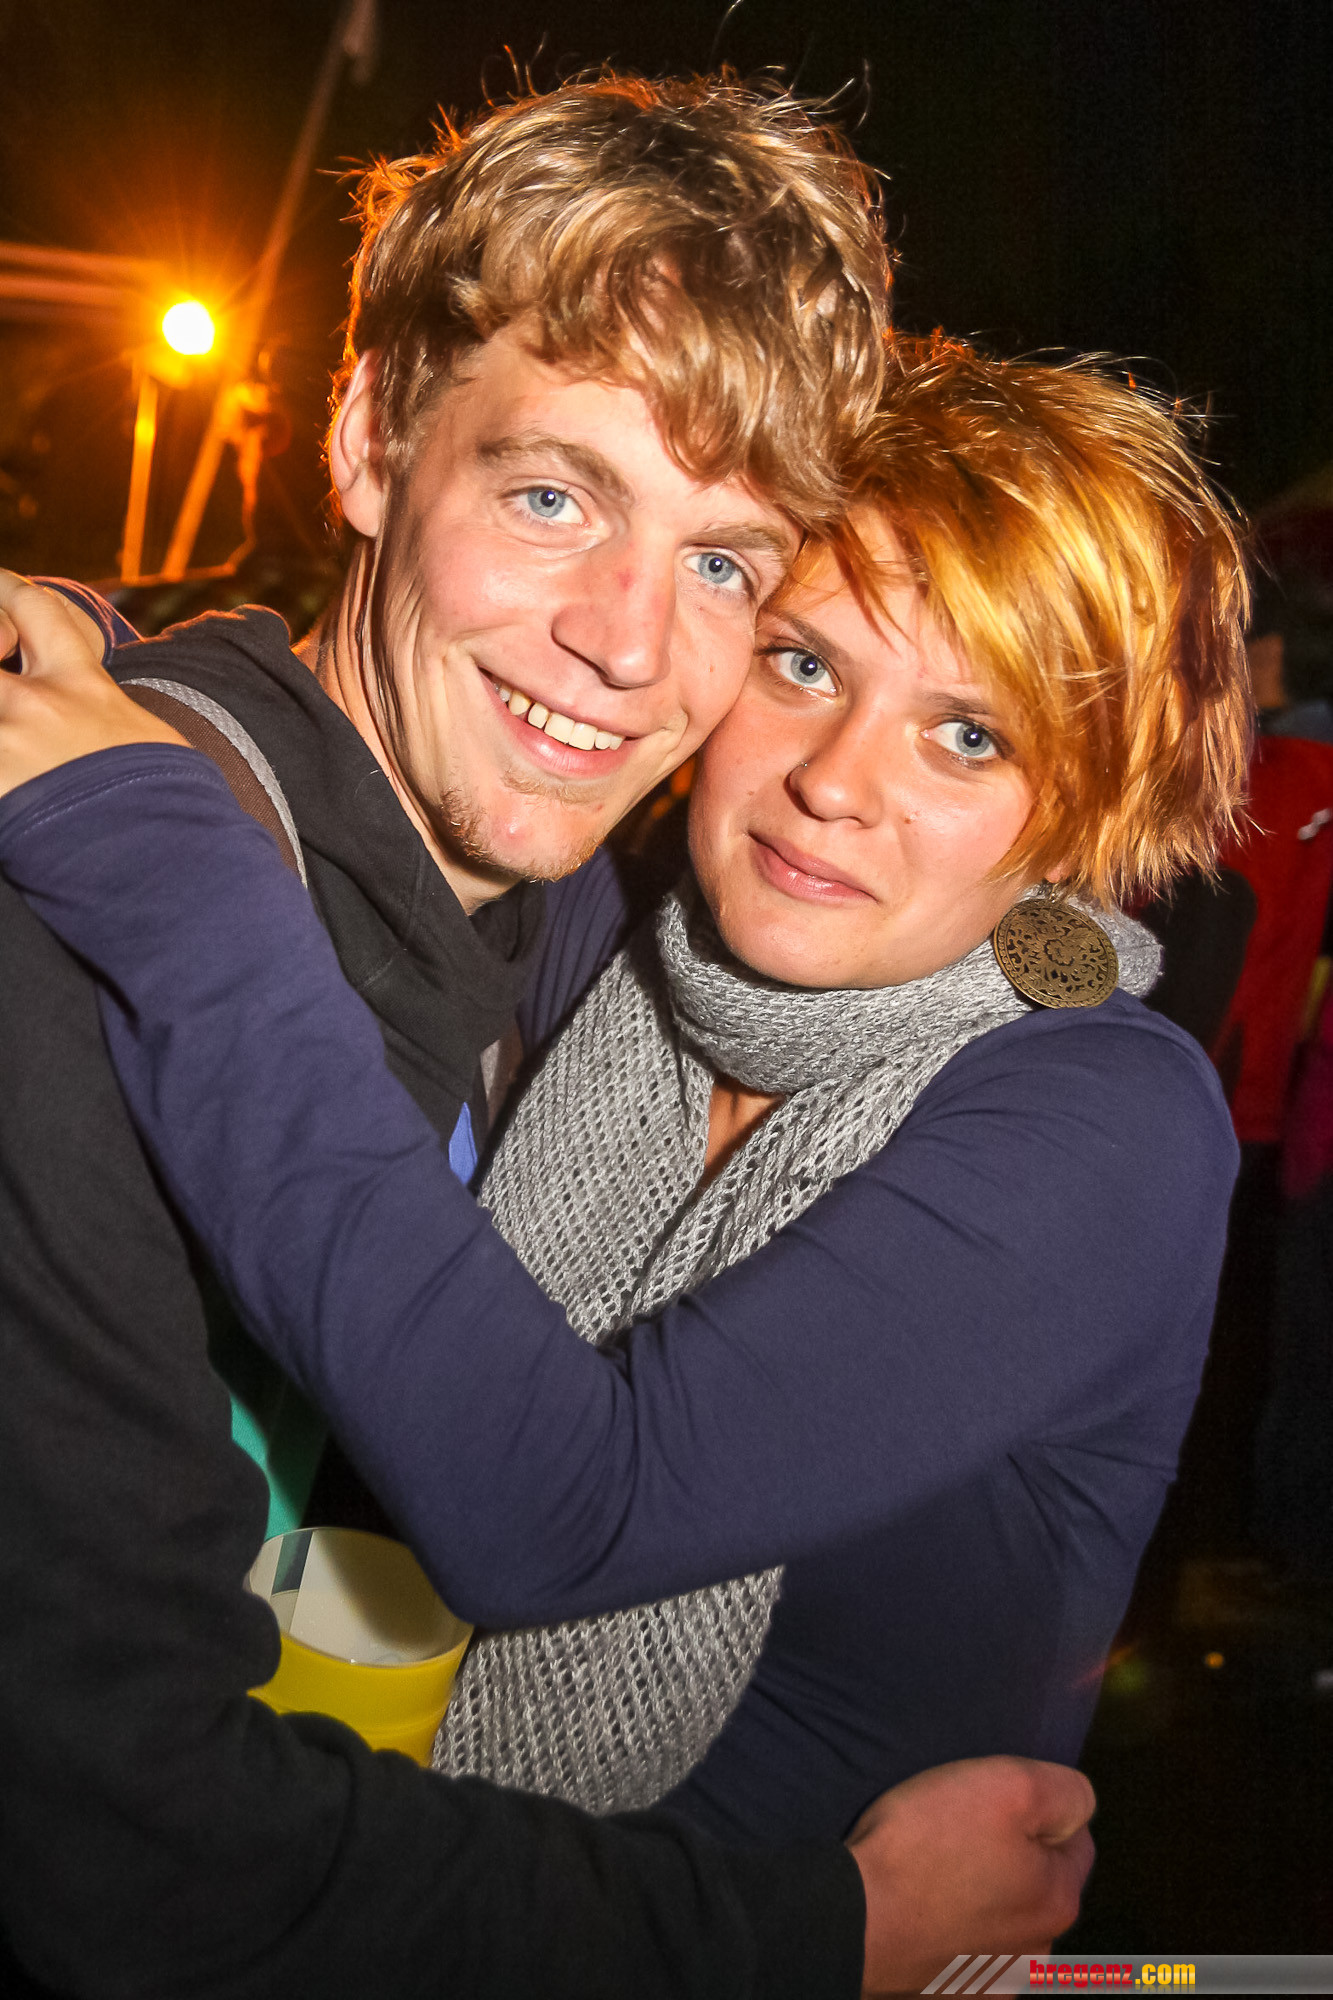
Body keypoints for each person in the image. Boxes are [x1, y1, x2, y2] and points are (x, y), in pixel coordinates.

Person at [0, 76, 1095, 2000]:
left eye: (725, 562)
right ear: (366, 438)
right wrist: (818, 1930)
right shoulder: (68, 939)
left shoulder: (547, 936)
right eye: (553, 496)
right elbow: (116, 1857)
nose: (628, 644)